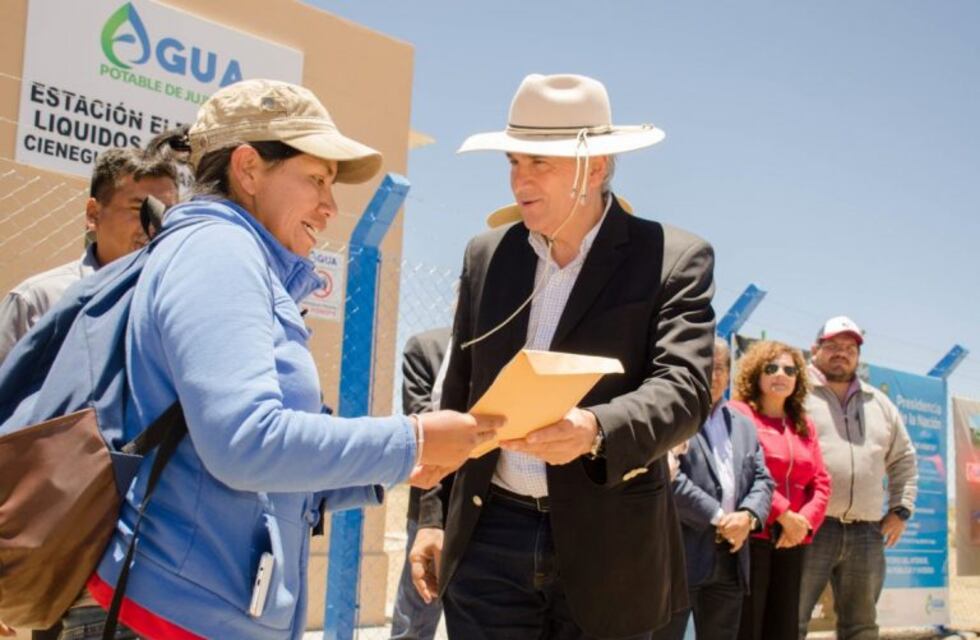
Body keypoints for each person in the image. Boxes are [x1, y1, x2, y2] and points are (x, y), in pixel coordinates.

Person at [67, 79, 500, 640]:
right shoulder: (219, 253)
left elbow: (249, 468)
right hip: (180, 613)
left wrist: (393, 467)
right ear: (248, 169)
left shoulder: (233, 255)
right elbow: (245, 443)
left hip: (198, 603)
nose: (330, 205)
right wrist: (411, 439)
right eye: (317, 178)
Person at [410, 73, 716, 640]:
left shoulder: (671, 258)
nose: (519, 180)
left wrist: (594, 429)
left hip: (609, 547)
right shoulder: (487, 255)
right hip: (487, 538)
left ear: (594, 168)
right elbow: (456, 395)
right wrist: (431, 517)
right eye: (513, 162)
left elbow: (684, 389)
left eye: (539, 163)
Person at [797, 316, 918, 640]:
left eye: (850, 348)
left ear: (858, 356)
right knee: (790, 619)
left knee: (862, 627)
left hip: (866, 532)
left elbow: (904, 459)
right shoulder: (796, 394)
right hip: (809, 528)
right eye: (833, 346)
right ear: (815, 349)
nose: (842, 353)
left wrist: (901, 509)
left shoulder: (879, 404)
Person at [0, 148, 179, 364]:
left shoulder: (174, 306)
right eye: (138, 208)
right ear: (93, 214)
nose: (154, 226)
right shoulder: (38, 301)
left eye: (166, 213)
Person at [652, 337, 773, 640]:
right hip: (681, 555)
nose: (713, 375)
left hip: (731, 558)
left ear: (729, 374)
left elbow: (763, 479)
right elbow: (668, 479)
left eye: (720, 367)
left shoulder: (744, 425)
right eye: (706, 366)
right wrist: (720, 518)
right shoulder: (673, 415)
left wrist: (748, 516)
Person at [730, 340, 830, 640]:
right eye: (771, 368)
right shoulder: (739, 414)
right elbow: (745, 472)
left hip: (792, 541)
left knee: (784, 628)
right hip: (753, 537)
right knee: (748, 628)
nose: (780, 375)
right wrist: (784, 514)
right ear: (755, 374)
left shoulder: (804, 425)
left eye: (789, 370)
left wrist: (803, 523)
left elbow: (821, 482)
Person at [391, 326, 452, 640]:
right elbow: (425, 438)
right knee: (414, 621)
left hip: (492, 508)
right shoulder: (427, 347)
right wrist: (431, 519)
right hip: (431, 506)